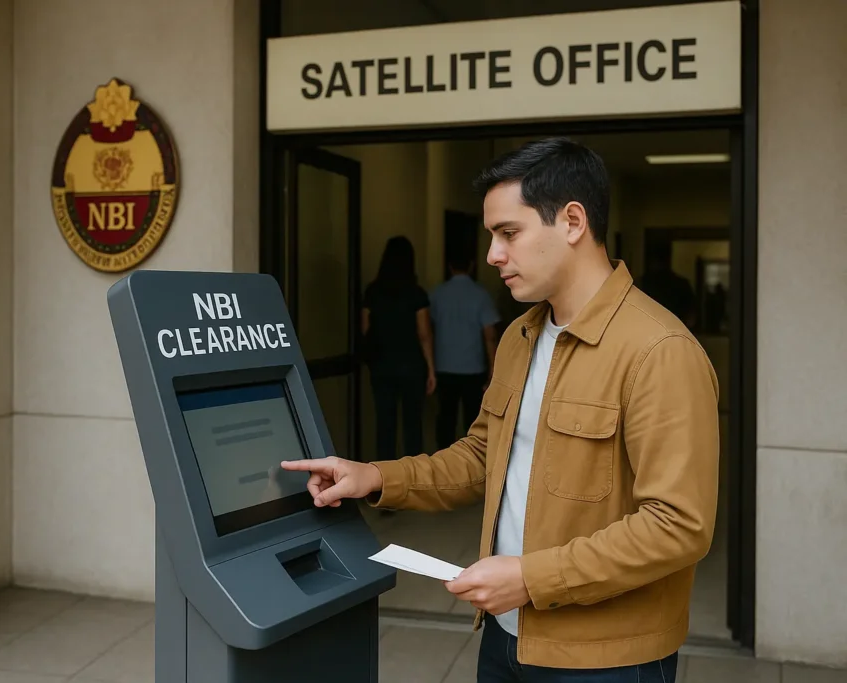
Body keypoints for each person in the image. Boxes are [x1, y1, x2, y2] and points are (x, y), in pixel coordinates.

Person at [283, 138, 720, 682]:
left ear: (573, 222)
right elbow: (484, 456)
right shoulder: (520, 335)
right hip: (505, 636)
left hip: (606, 660)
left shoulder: (659, 351)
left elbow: (678, 527)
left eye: (508, 233)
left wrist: (533, 578)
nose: (493, 254)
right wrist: (374, 476)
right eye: (493, 236)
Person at [361, 236, 436, 461]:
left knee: (385, 425)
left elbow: (365, 329)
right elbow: (424, 334)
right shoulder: (417, 294)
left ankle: (382, 480)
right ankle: (413, 480)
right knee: (412, 425)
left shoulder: (372, 292)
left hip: (381, 366)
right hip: (411, 366)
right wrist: (431, 369)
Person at [429, 248, 500, 449]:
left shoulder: (436, 294)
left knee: (445, 419)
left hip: (444, 366)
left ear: (450, 267)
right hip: (473, 368)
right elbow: (490, 336)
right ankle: (472, 466)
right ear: (471, 266)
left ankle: (442, 465)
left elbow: (428, 330)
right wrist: (493, 370)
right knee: (473, 422)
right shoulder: (481, 295)